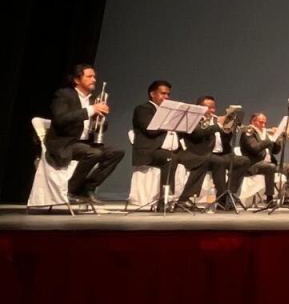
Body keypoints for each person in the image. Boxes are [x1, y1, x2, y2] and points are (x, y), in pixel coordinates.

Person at [42, 63, 125, 204]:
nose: (94, 79)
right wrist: (90, 110)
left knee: (117, 152)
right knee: (94, 153)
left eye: (94, 76)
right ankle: (71, 190)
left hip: (85, 143)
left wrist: (101, 121)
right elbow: (60, 119)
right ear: (77, 80)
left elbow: (99, 127)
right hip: (65, 143)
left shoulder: (92, 100)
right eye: (89, 76)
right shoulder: (63, 95)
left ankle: (88, 188)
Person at [132, 79, 206, 211]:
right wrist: (169, 120)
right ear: (152, 94)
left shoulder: (170, 112)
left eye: (168, 94)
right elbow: (150, 131)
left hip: (174, 150)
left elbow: (188, 133)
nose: (166, 97)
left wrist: (190, 121)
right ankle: (164, 201)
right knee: (170, 158)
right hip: (152, 151)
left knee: (203, 160)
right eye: (163, 93)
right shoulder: (143, 109)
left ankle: (183, 200)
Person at [183, 96, 249, 210]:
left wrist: (228, 129)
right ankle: (221, 198)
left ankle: (227, 195)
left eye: (214, 108)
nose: (213, 110)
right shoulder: (194, 119)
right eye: (209, 108)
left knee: (243, 161)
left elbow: (225, 141)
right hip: (201, 153)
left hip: (222, 154)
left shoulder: (215, 120)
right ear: (199, 107)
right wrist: (218, 125)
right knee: (219, 161)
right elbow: (198, 134)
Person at [240, 112, 289, 206]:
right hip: (253, 165)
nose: (263, 125)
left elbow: (275, 151)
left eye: (265, 123)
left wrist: (278, 139)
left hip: (269, 164)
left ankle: (288, 198)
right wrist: (270, 140)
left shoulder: (265, 133)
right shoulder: (248, 132)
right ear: (253, 121)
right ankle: (269, 198)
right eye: (260, 122)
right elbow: (254, 148)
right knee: (270, 167)